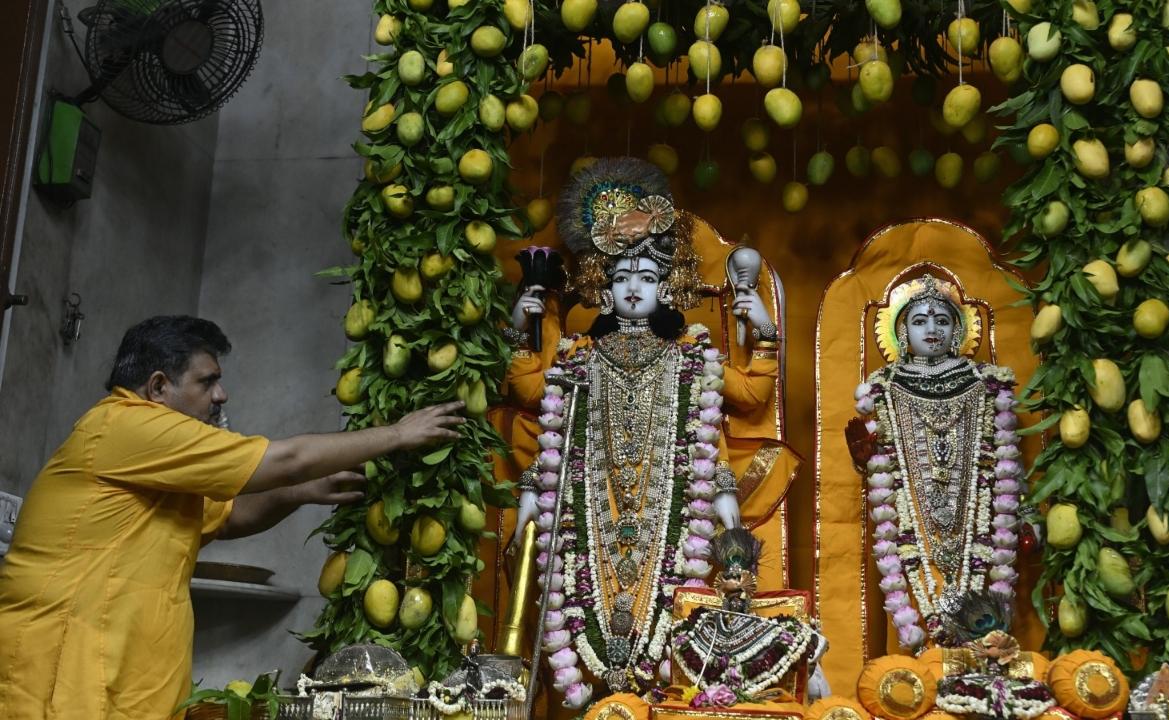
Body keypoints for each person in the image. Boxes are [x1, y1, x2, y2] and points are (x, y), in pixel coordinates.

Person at [0, 315, 465, 720]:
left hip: (123, 680)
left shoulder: (161, 462)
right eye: (207, 381)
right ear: (159, 387)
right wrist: (400, 434)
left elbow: (227, 518)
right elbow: (287, 458)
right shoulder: (124, 425)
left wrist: (301, 493)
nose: (221, 395)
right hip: (66, 675)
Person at [501, 158, 787, 708]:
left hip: (672, 520)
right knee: (578, 612)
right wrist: (524, 323)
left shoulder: (689, 359)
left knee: (674, 617)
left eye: (648, 277)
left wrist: (764, 329)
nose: (635, 288)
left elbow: (749, 396)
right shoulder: (579, 361)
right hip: (592, 517)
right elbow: (530, 391)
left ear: (667, 289)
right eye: (622, 277)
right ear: (604, 291)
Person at [849, 273, 1029, 654]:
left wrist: (1025, 512)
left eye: (942, 320)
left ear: (958, 330)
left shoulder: (987, 384)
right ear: (901, 332)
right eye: (919, 321)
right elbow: (876, 468)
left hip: (977, 516)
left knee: (984, 592)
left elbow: (1009, 458)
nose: (932, 329)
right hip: (911, 518)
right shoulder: (882, 388)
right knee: (912, 592)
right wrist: (863, 459)